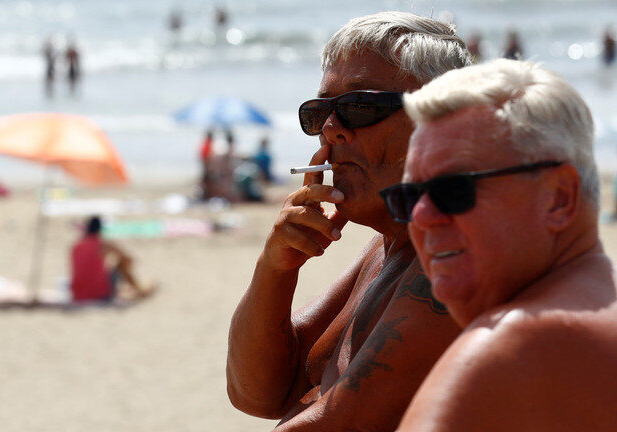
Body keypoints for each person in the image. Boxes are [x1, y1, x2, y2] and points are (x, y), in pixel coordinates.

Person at [226, 12, 471, 431]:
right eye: (321, 111)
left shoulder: (456, 251)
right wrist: (276, 268)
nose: (331, 131)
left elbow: (339, 423)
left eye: (359, 107)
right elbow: (259, 392)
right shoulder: (390, 244)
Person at [379, 59, 617, 430]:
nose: (422, 216)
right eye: (407, 198)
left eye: (453, 190)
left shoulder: (511, 346)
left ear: (559, 198)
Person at [70, 216, 154, 302]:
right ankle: (139, 289)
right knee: (121, 264)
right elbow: (128, 259)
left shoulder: (76, 246)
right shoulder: (102, 243)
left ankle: (132, 287)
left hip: (78, 293)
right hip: (98, 293)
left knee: (106, 269)